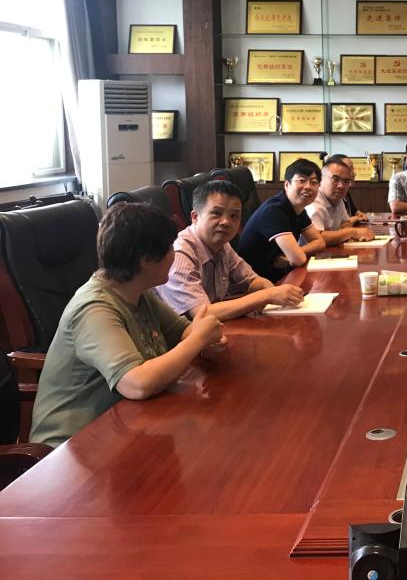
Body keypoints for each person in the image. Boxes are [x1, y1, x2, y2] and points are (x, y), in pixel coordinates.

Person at [30, 203, 226, 447]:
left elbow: (184, 332)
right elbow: (137, 384)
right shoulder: (94, 308)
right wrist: (199, 340)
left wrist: (206, 340)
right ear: (144, 259)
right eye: (168, 248)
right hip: (70, 448)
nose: (174, 253)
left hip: (124, 426)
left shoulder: (137, 292)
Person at [156, 180, 305, 319]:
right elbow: (202, 313)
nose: (226, 222)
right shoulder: (180, 254)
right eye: (216, 213)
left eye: (234, 216)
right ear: (195, 217)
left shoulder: (223, 245)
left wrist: (268, 289)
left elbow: (251, 281)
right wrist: (267, 295)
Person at [237, 158, 326, 282]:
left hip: (276, 276)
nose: (308, 187)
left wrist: (294, 253)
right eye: (301, 181)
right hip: (254, 281)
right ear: (287, 184)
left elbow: (320, 242)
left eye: (314, 182)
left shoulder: (299, 210)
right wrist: (295, 255)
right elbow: (298, 259)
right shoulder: (274, 211)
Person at [306, 155, 376, 244]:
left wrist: (345, 232)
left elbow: (345, 224)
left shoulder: (338, 199)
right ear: (320, 179)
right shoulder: (313, 202)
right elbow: (316, 238)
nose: (341, 186)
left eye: (346, 181)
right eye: (335, 179)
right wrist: (353, 232)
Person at [338, 155, 368, 224]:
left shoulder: (345, 190)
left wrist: (359, 213)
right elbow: (342, 224)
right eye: (350, 169)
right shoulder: (336, 194)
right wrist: (356, 218)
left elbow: (354, 211)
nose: (354, 173)